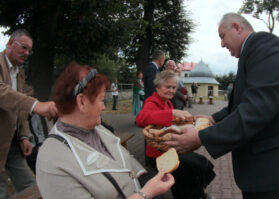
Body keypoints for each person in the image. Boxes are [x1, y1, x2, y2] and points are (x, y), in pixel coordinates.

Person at [167, 12, 279, 199]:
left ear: (237, 27)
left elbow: (256, 110)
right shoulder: (253, 52)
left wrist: (201, 137)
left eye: (222, 36)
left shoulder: (267, 48)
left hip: (271, 166)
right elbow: (241, 104)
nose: (222, 44)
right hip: (262, 164)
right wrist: (213, 118)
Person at [36, 62, 174, 199]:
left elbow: (124, 156)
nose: (103, 108)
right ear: (81, 102)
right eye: (102, 100)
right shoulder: (53, 162)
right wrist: (146, 193)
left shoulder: (97, 128)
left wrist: (142, 175)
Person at [136, 70, 215, 199]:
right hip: (158, 154)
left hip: (170, 148)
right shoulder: (151, 101)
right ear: (157, 87)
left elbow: (171, 123)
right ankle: (196, 195)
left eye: (174, 87)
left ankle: (196, 193)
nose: (171, 91)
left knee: (200, 161)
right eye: (167, 87)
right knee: (185, 168)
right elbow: (141, 119)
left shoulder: (168, 102)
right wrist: (172, 113)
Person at [0, 29, 57, 198]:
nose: (26, 53)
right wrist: (36, 105)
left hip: (12, 143)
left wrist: (24, 136)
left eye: (29, 50)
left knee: (30, 187)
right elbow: (3, 93)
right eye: (23, 47)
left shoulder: (19, 73)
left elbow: (20, 108)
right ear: (10, 43)